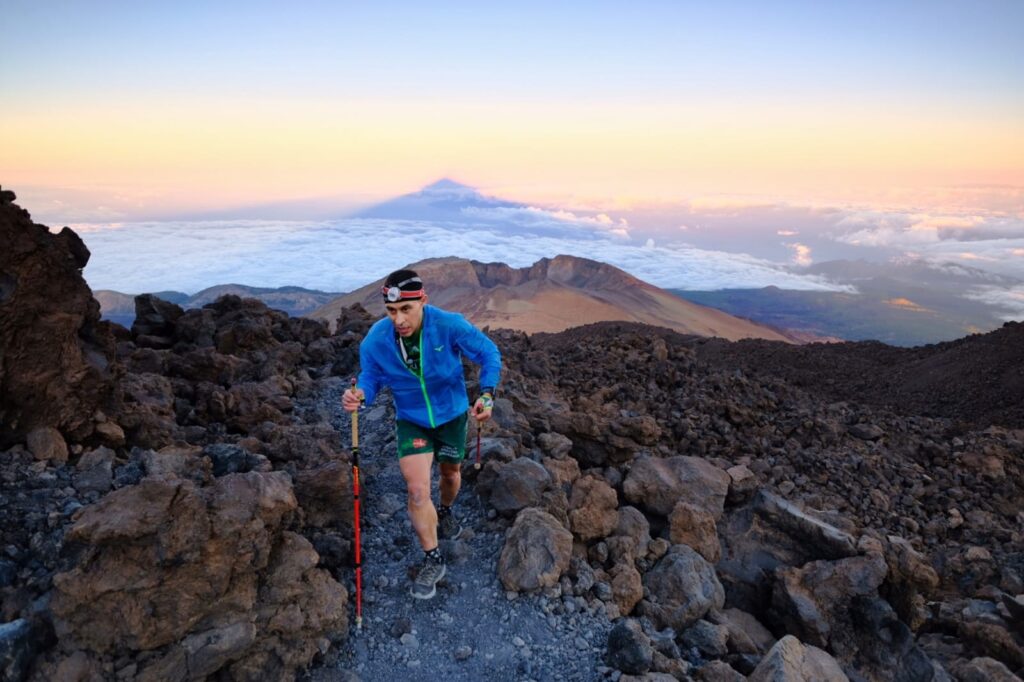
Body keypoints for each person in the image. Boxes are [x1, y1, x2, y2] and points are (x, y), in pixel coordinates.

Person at [342, 269, 501, 599]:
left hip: (452, 415)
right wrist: (361, 394)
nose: (398, 319)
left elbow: (488, 353)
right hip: (411, 420)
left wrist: (487, 394)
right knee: (417, 489)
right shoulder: (376, 340)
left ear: (423, 301)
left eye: (405, 309)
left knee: (450, 474)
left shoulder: (448, 325)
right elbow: (371, 376)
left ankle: (445, 511)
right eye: (391, 311)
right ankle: (433, 557)